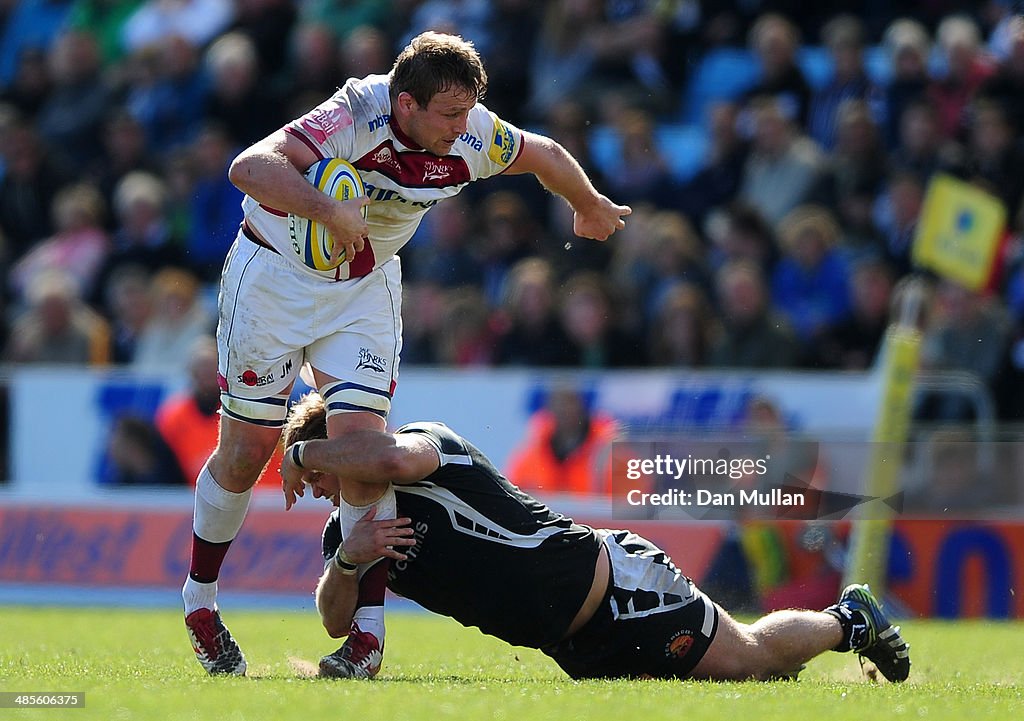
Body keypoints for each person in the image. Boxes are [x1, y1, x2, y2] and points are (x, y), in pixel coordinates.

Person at [182, 30, 631, 677]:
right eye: (448, 114)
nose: (462, 126)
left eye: (468, 111)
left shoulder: (472, 134)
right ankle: (200, 599)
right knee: (247, 451)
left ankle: (366, 638)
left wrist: (586, 203)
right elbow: (248, 169)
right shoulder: (356, 112)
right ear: (405, 105)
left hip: (364, 284)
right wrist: (327, 208)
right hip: (274, 276)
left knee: (365, 451)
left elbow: (544, 153)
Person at [279, 392, 911, 683]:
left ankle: (848, 620)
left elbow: (389, 465)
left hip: (620, 591)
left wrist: (308, 450)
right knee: (751, 680)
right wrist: (344, 560)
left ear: (340, 451)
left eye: (312, 474)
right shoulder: (350, 531)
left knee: (751, 659)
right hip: (572, 647)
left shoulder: (428, 445)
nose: (308, 488)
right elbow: (336, 623)